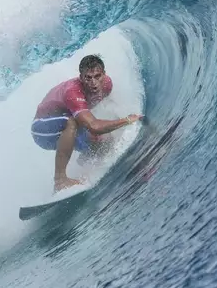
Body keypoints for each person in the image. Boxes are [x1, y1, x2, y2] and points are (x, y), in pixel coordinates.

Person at [31, 55, 144, 191]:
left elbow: (104, 112)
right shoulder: (72, 92)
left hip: (67, 132)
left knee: (104, 142)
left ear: (104, 74)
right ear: (81, 77)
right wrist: (126, 120)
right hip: (42, 130)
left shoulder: (107, 85)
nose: (94, 82)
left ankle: (85, 171)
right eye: (88, 78)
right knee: (71, 122)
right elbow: (94, 126)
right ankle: (60, 180)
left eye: (97, 76)